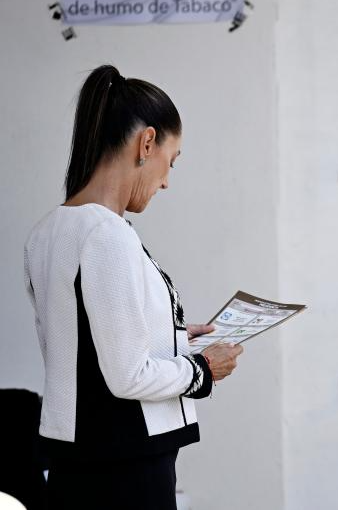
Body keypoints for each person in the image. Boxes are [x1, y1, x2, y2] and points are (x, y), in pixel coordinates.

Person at [23, 64, 244, 510]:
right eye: (171, 162)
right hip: (126, 468)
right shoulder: (107, 234)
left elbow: (81, 346)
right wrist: (202, 371)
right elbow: (126, 377)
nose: (166, 181)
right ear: (147, 143)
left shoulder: (46, 233)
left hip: (75, 459)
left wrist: (176, 338)